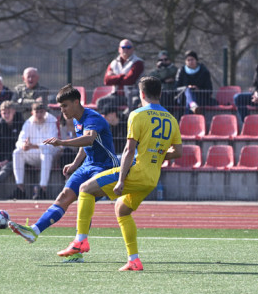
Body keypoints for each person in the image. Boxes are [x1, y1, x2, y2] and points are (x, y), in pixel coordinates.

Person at [40, 76, 179, 271]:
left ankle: (80, 241)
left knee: (85, 189)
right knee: (122, 211)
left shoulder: (137, 115)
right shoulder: (171, 119)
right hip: (151, 179)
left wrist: (121, 179)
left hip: (135, 172)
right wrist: (157, 153)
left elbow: (129, 151)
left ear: (141, 94)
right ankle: (134, 260)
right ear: (161, 93)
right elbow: (178, 152)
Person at [7, 84, 120, 248]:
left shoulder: (92, 118)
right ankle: (34, 231)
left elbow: (89, 139)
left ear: (76, 102)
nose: (62, 110)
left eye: (65, 106)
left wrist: (61, 142)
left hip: (105, 167)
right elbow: (85, 145)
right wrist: (75, 163)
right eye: (60, 107)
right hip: (88, 165)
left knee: (84, 201)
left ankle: (78, 247)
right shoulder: (77, 119)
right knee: (64, 196)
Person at [10, 100, 61, 199]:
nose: (39, 114)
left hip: (51, 155)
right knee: (17, 152)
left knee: (45, 153)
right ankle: (20, 188)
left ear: (45, 112)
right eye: (36, 112)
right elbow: (19, 141)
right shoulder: (28, 123)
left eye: (41, 112)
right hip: (33, 155)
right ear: (32, 113)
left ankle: (42, 189)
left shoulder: (51, 121)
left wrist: (35, 146)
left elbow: (52, 144)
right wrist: (23, 146)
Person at [104, 38, 144, 108]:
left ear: (132, 49)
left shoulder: (138, 62)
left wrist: (114, 77)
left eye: (128, 47)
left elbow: (129, 81)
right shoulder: (113, 63)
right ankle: (114, 118)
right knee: (101, 103)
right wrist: (122, 76)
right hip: (116, 95)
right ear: (119, 49)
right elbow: (106, 81)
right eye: (123, 47)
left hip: (132, 95)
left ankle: (122, 118)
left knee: (133, 105)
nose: (126, 49)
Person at [174, 50, 213, 114]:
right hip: (183, 97)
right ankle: (193, 106)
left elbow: (209, 89)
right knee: (188, 90)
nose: (190, 62)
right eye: (188, 60)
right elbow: (176, 87)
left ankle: (189, 118)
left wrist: (198, 89)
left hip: (200, 97)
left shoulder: (204, 71)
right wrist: (187, 88)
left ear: (196, 60)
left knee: (188, 103)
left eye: (192, 59)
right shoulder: (181, 71)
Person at [148, 50, 178, 114]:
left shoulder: (174, 69)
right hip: (159, 94)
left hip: (171, 94)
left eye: (165, 59)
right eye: (161, 60)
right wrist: (164, 80)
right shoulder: (156, 70)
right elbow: (151, 77)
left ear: (169, 60)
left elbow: (166, 74)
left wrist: (161, 69)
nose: (163, 61)